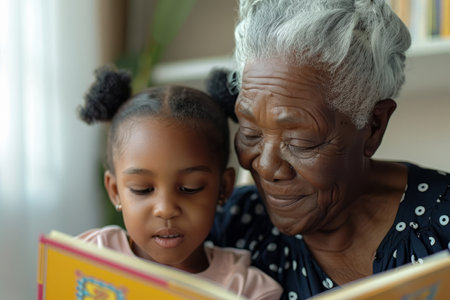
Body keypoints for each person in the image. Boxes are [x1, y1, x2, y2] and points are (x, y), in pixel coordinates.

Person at [205, 0, 450, 299]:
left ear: (373, 126)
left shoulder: (441, 223)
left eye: (300, 141)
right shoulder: (234, 225)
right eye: (251, 132)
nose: (267, 166)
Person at [76, 66, 283, 300]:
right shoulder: (89, 258)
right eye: (142, 189)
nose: (165, 209)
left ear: (223, 188)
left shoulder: (244, 288)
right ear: (115, 191)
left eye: (189, 188)